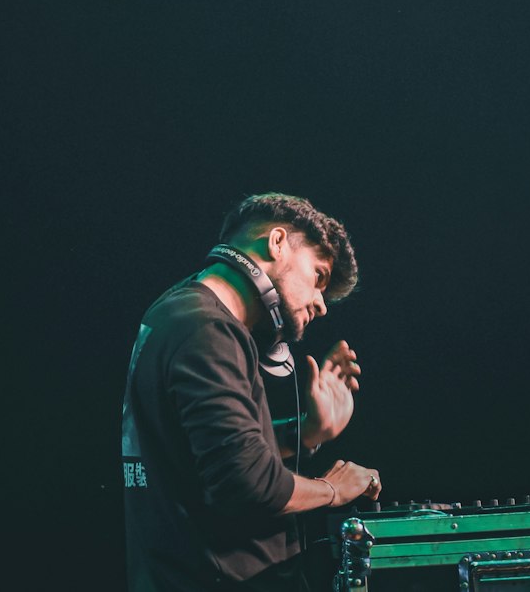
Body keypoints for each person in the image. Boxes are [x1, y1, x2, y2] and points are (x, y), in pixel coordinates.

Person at [122, 192, 381, 591]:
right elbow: (249, 484)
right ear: (277, 242)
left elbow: (214, 455)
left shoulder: (180, 312)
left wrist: (307, 430)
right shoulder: (207, 330)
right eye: (319, 277)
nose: (321, 304)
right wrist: (334, 489)